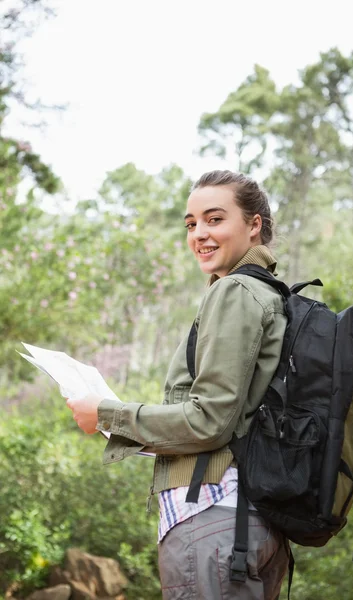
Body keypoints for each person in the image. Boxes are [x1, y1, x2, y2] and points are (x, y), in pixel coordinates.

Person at [67, 170, 289, 599]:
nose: (199, 234)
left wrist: (107, 415)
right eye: (191, 223)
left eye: (214, 219)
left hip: (212, 517)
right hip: (251, 522)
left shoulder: (235, 292)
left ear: (254, 225)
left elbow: (210, 421)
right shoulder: (271, 293)